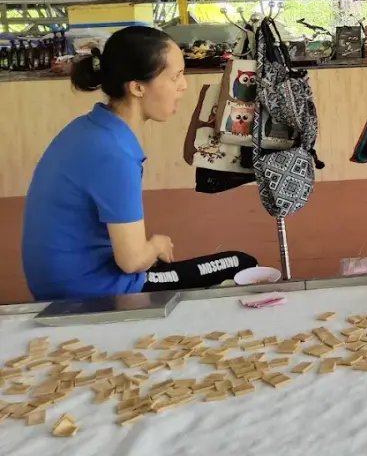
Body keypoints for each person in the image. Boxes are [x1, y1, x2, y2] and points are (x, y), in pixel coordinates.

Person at [22, 26, 258, 300]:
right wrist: (156, 245)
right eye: (176, 76)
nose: (183, 85)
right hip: (89, 290)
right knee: (240, 264)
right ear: (137, 87)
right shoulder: (114, 153)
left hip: (55, 281)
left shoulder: (87, 129)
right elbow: (132, 261)